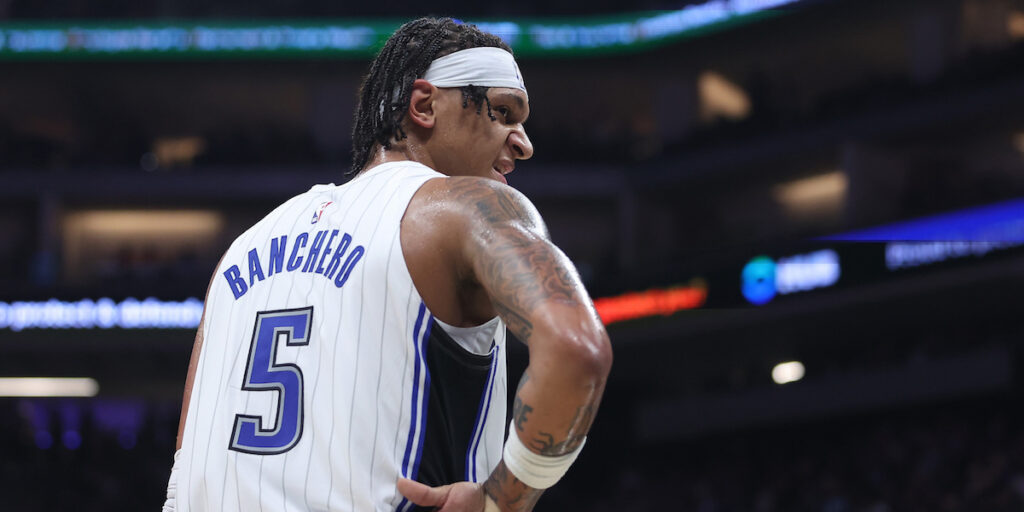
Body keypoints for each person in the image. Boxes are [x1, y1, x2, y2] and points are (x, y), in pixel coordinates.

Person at [165, 17, 612, 512]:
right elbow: (577, 350)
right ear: (424, 105)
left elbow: (183, 470)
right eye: (503, 112)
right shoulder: (467, 208)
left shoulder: (242, 249)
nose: (523, 143)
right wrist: (504, 498)